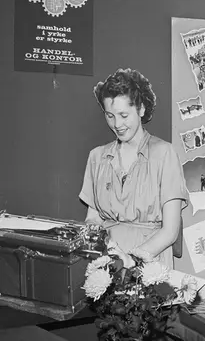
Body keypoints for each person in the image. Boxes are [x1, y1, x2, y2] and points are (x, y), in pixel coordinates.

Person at [79, 68, 188, 269]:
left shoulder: (164, 153)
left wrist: (130, 260)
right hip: (107, 262)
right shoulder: (97, 157)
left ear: (141, 109)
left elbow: (170, 231)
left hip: (150, 262)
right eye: (110, 115)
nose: (117, 124)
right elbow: (92, 218)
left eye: (123, 115)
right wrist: (104, 249)